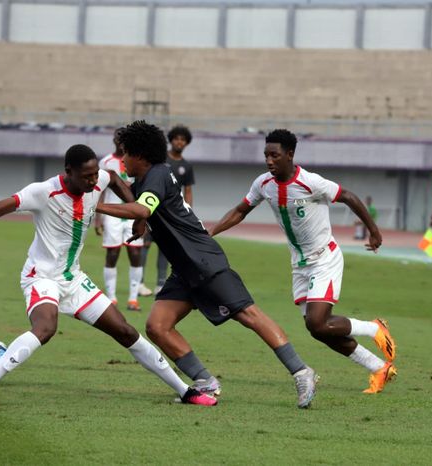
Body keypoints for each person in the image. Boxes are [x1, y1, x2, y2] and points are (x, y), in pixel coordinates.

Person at [0, 145, 215, 408]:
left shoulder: (98, 178)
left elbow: (111, 177)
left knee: (125, 331)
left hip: (74, 279)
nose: (93, 181)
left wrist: (135, 211)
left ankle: (185, 391)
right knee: (45, 329)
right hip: (41, 277)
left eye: (94, 175)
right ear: (69, 172)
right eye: (87, 176)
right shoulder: (42, 192)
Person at [96, 121, 319, 409]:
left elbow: (141, 207)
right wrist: (113, 183)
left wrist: (95, 207)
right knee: (157, 326)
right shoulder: (146, 179)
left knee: (249, 315)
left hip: (202, 260)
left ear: (140, 155)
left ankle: (301, 371)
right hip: (184, 268)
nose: (122, 158)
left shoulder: (158, 174)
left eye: (125, 153)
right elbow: (135, 200)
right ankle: (205, 381)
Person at [210, 129, 397, 395]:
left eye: (274, 155)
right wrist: (211, 232)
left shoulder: (311, 182)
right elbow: (241, 210)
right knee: (319, 330)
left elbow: (349, 197)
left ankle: (374, 327)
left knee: (318, 323)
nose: (269, 161)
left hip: (324, 259)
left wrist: (374, 231)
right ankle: (379, 368)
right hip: (299, 265)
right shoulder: (264, 184)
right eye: (266, 155)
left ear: (290, 154)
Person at [141, 125, 196, 294]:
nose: (179, 142)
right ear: (171, 140)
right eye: (177, 138)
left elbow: (187, 191)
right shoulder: (161, 159)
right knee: (145, 243)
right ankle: (139, 282)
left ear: (186, 143)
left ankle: (160, 283)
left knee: (166, 246)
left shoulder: (186, 166)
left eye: (183, 140)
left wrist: (187, 213)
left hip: (171, 213)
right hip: (153, 209)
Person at [95, 128, 145, 311]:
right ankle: (111, 298)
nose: (120, 141)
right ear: (114, 140)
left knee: (135, 254)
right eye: (117, 138)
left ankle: (133, 299)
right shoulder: (106, 162)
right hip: (112, 214)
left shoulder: (138, 160)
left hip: (133, 213)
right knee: (112, 254)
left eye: (123, 139)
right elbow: (99, 189)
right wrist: (98, 218)